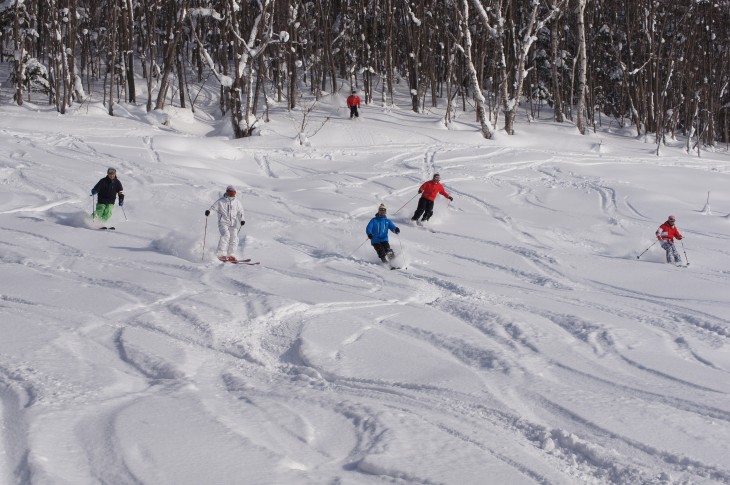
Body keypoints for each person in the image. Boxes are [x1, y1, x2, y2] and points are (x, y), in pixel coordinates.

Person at [205, 185, 246, 261]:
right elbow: (213, 209)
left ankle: (231, 254)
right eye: (231, 193)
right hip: (223, 223)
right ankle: (221, 254)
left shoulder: (237, 202)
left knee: (234, 238)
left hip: (233, 224)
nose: (232, 195)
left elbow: (240, 212)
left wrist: (242, 220)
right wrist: (209, 212)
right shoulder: (221, 201)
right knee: (226, 235)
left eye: (234, 193)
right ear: (227, 192)